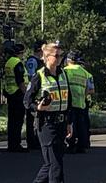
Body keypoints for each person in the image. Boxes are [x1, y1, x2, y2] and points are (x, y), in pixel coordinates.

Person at [24, 43, 72, 183]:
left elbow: (68, 99)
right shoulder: (38, 76)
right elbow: (27, 101)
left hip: (61, 123)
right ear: (46, 57)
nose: (59, 59)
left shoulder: (63, 74)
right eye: (56, 56)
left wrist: (69, 122)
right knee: (55, 164)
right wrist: (38, 108)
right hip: (46, 124)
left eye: (61, 56)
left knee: (52, 163)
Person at [63, 51, 94, 153]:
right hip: (81, 102)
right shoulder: (85, 73)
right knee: (82, 125)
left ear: (68, 60)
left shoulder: (65, 71)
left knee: (71, 124)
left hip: (69, 102)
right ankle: (81, 146)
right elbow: (90, 89)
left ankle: (71, 145)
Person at [3, 43, 28, 152]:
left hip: (10, 93)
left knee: (11, 121)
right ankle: (16, 145)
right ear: (20, 53)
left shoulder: (8, 62)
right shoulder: (18, 63)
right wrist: (26, 94)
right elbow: (20, 81)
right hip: (18, 94)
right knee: (18, 121)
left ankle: (11, 144)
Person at [25, 40, 46, 149]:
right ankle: (32, 142)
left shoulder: (41, 61)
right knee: (32, 119)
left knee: (37, 119)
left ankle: (37, 141)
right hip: (34, 93)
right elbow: (31, 76)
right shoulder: (33, 61)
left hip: (39, 93)